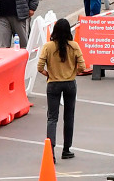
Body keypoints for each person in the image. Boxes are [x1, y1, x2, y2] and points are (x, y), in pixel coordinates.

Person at [37, 18, 85, 161]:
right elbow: (82, 66)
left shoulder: (48, 46)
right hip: (70, 83)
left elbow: (39, 67)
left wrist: (48, 74)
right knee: (69, 117)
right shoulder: (74, 46)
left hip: (53, 84)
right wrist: (72, 73)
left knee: (52, 118)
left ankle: (50, 151)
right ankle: (66, 149)